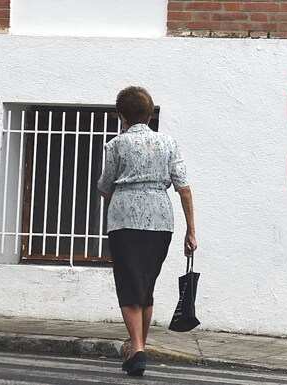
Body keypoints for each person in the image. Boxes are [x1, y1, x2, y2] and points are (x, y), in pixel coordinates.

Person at [97, 86, 197, 376]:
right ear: (150, 113)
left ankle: (137, 349)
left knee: (129, 285)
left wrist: (115, 190)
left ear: (121, 116)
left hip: (124, 220)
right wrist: (191, 231)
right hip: (160, 222)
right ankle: (138, 346)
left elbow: (105, 185)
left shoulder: (116, 145)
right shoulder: (169, 143)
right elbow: (184, 189)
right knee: (146, 285)